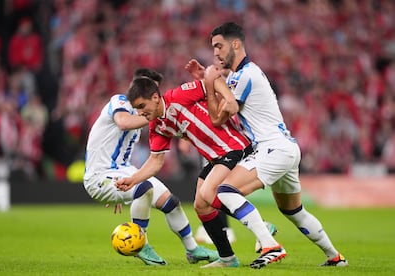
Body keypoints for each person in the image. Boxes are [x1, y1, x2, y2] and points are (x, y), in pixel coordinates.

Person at [191, 21, 348, 269]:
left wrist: (210, 84)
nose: (215, 53)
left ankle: (269, 244)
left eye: (219, 46)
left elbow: (219, 116)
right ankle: (335, 258)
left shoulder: (245, 76)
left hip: (271, 147)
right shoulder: (242, 75)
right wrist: (207, 81)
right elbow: (221, 106)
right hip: (286, 148)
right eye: (213, 48)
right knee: (294, 211)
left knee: (225, 191)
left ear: (235, 44)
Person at [116, 70, 257, 268]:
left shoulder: (178, 95)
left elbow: (211, 80)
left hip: (232, 147)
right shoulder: (157, 125)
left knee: (209, 194)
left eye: (141, 106)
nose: (140, 113)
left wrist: (229, 98)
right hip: (215, 157)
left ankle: (261, 230)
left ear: (155, 97)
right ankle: (228, 258)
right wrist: (133, 179)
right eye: (136, 109)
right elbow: (156, 161)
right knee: (201, 205)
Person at [83, 68, 219, 266]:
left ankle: (193, 250)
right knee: (143, 188)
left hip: (121, 171)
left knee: (170, 202)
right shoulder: (119, 102)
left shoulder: (145, 114)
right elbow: (122, 123)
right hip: (98, 176)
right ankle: (141, 244)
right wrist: (154, 116)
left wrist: (122, 188)